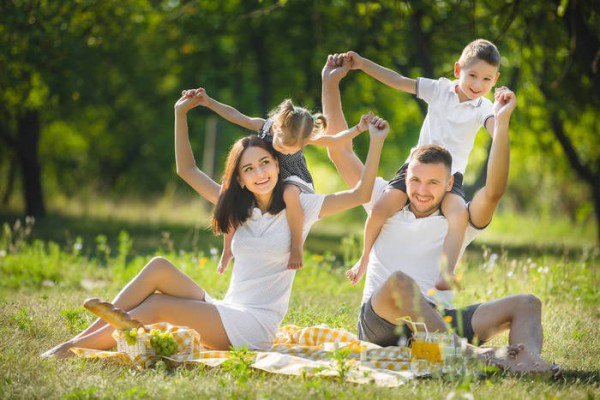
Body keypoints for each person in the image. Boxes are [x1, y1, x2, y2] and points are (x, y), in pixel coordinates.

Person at [40, 88, 388, 358]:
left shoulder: (303, 204)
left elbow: (360, 194)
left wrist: (374, 143)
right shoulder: (239, 207)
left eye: (265, 163)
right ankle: (91, 335)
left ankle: (73, 348)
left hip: (253, 327)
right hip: (227, 309)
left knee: (156, 306)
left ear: (279, 164)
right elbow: (187, 171)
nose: (260, 173)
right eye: (248, 169)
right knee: (159, 267)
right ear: (240, 178)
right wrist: (181, 114)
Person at [322, 55, 559, 374]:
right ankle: (469, 355)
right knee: (400, 283)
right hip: (383, 326)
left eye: (433, 183)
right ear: (405, 177)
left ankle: (527, 362)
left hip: (438, 325)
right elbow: (340, 151)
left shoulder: (458, 216)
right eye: (415, 180)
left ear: (450, 183)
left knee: (528, 303)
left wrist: (501, 124)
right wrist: (330, 82)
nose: (421, 190)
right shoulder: (382, 198)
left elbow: (494, 190)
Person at [343, 39, 501, 290]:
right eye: (472, 75)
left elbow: (498, 133)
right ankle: (364, 259)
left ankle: (447, 272)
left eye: (486, 79)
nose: (477, 85)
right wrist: (362, 64)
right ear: (458, 70)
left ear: (495, 80)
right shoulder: (439, 89)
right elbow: (397, 80)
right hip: (414, 170)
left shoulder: (485, 107)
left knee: (459, 216)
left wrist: (504, 114)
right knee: (379, 209)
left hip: (451, 177)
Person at [185, 89, 369, 272]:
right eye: (281, 146)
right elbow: (235, 115)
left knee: (289, 193)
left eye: (292, 150)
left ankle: (296, 247)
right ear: (278, 128)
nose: (285, 151)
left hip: (295, 179)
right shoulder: (264, 126)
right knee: (233, 194)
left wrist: (358, 129)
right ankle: (227, 250)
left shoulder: (305, 137)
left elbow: (334, 140)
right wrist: (208, 102)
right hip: (269, 177)